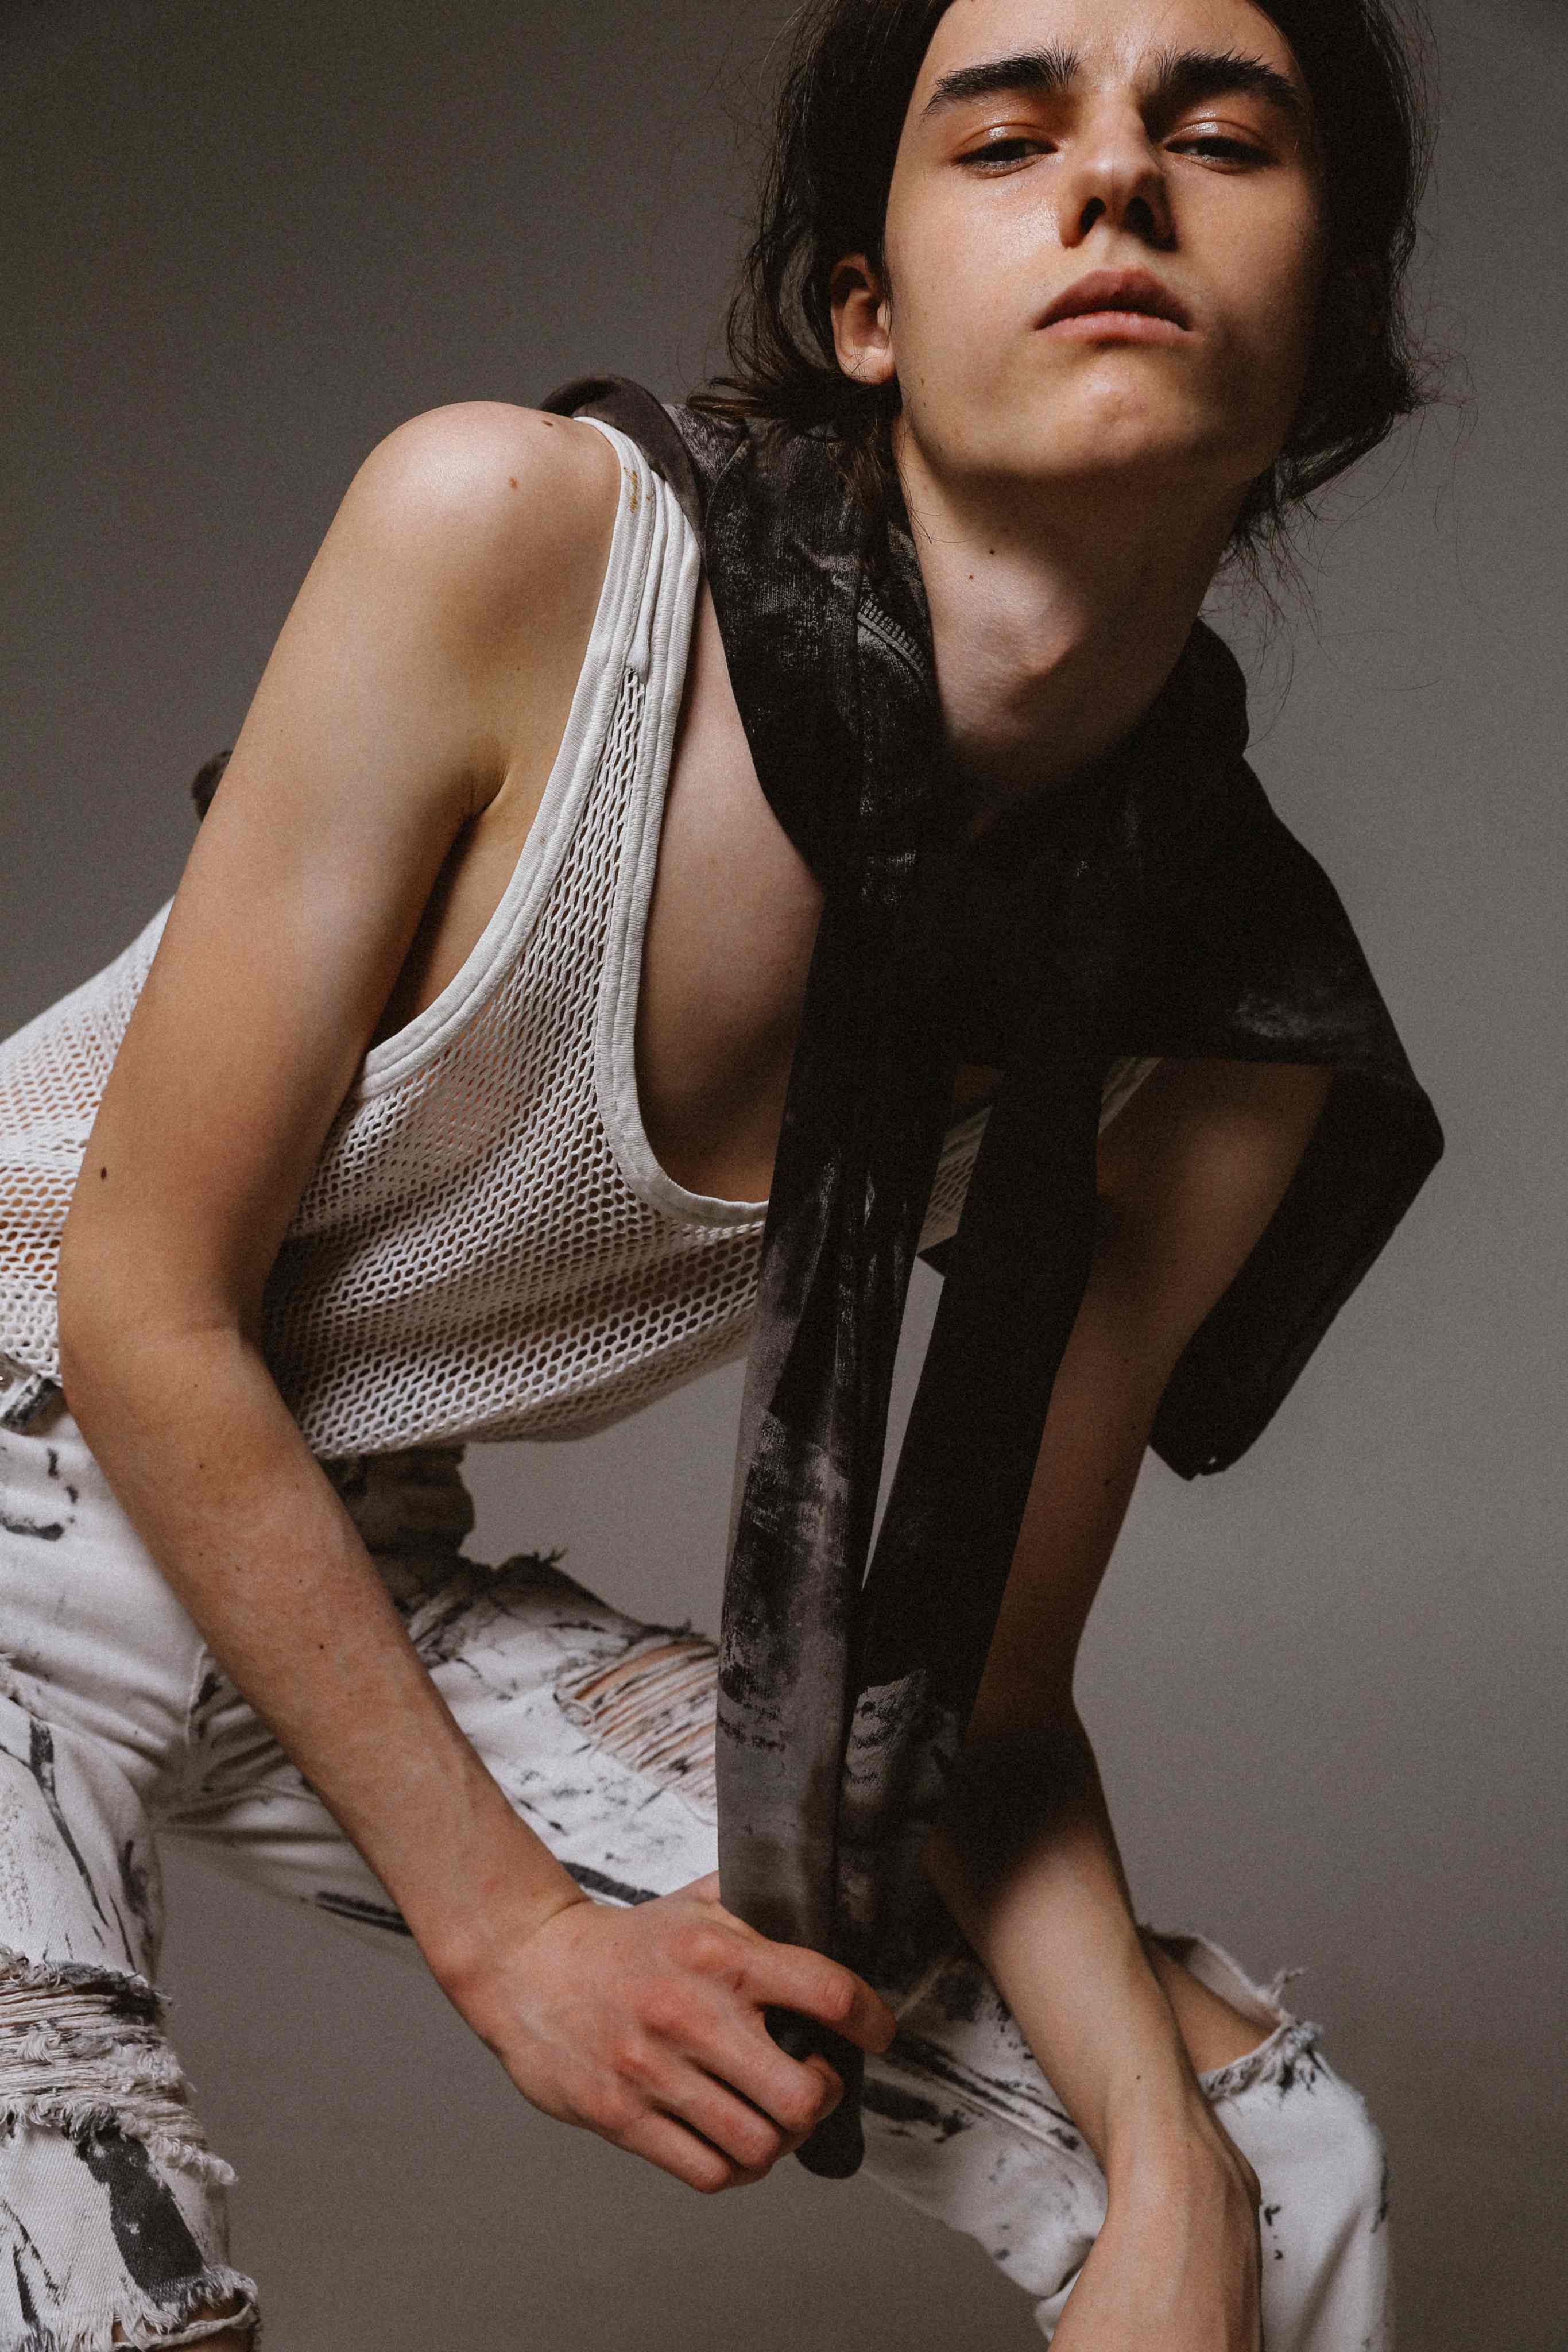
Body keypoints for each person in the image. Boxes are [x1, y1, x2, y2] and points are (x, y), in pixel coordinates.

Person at [0, 0, 1442, 2344]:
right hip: (51, 1411)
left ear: (1328, 321)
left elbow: (978, 1707)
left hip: (331, 1564)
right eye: (1007, 135)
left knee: (1273, 2176)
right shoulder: (521, 548)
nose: (1114, 177)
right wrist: (512, 1930)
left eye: (1217, 132)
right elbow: (141, 1305)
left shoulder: (1210, 1038)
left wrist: (1165, 2162)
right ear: (865, 313)